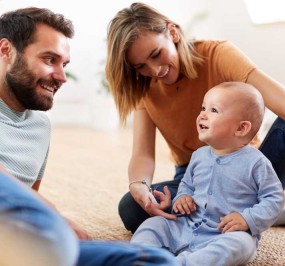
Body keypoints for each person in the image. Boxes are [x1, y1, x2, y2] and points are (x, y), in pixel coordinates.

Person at [106, 2, 285, 265]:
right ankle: (260, 213)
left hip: (247, 170)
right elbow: (141, 155)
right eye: (140, 66)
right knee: (130, 208)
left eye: (156, 54)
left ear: (172, 33)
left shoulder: (218, 54)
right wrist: (139, 186)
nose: (154, 70)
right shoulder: (145, 87)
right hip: (195, 176)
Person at [0, 7, 177, 266]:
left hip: (31, 245)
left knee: (157, 260)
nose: (61, 77)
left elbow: (28, 200)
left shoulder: (40, 127)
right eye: (50, 59)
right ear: (6, 50)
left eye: (64, 64)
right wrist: (56, 219)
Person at [130, 82, 285, 265]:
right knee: (153, 225)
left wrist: (247, 219)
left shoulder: (256, 162)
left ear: (241, 128)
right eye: (203, 108)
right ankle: (138, 257)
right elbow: (186, 184)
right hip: (187, 225)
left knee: (241, 245)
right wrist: (183, 197)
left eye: (214, 110)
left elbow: (274, 198)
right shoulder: (199, 155)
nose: (202, 114)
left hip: (226, 233)